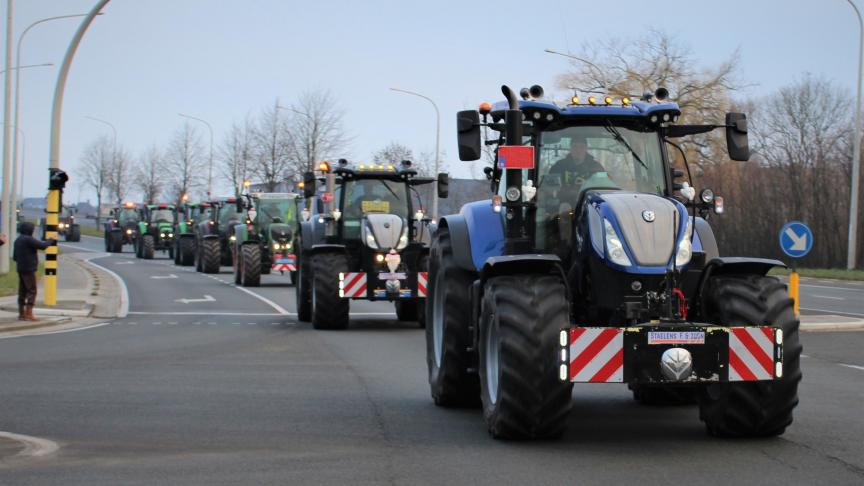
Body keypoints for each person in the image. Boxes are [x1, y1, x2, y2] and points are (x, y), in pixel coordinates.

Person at [13, 222, 55, 321]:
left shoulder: (17, 240)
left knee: (22, 291)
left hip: (20, 268)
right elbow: (43, 246)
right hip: (29, 269)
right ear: (29, 230)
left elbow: (15, 257)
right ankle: (29, 313)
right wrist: (51, 239)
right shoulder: (28, 239)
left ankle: (21, 313)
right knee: (32, 290)